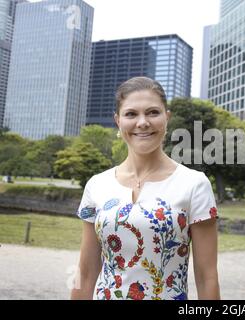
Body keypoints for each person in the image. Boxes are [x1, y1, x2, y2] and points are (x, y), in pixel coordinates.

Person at [70, 77, 220, 300]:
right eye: (131, 114)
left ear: (166, 118)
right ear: (118, 121)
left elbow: (206, 276)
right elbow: (86, 271)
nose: (142, 122)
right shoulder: (97, 185)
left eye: (152, 112)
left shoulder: (194, 184)